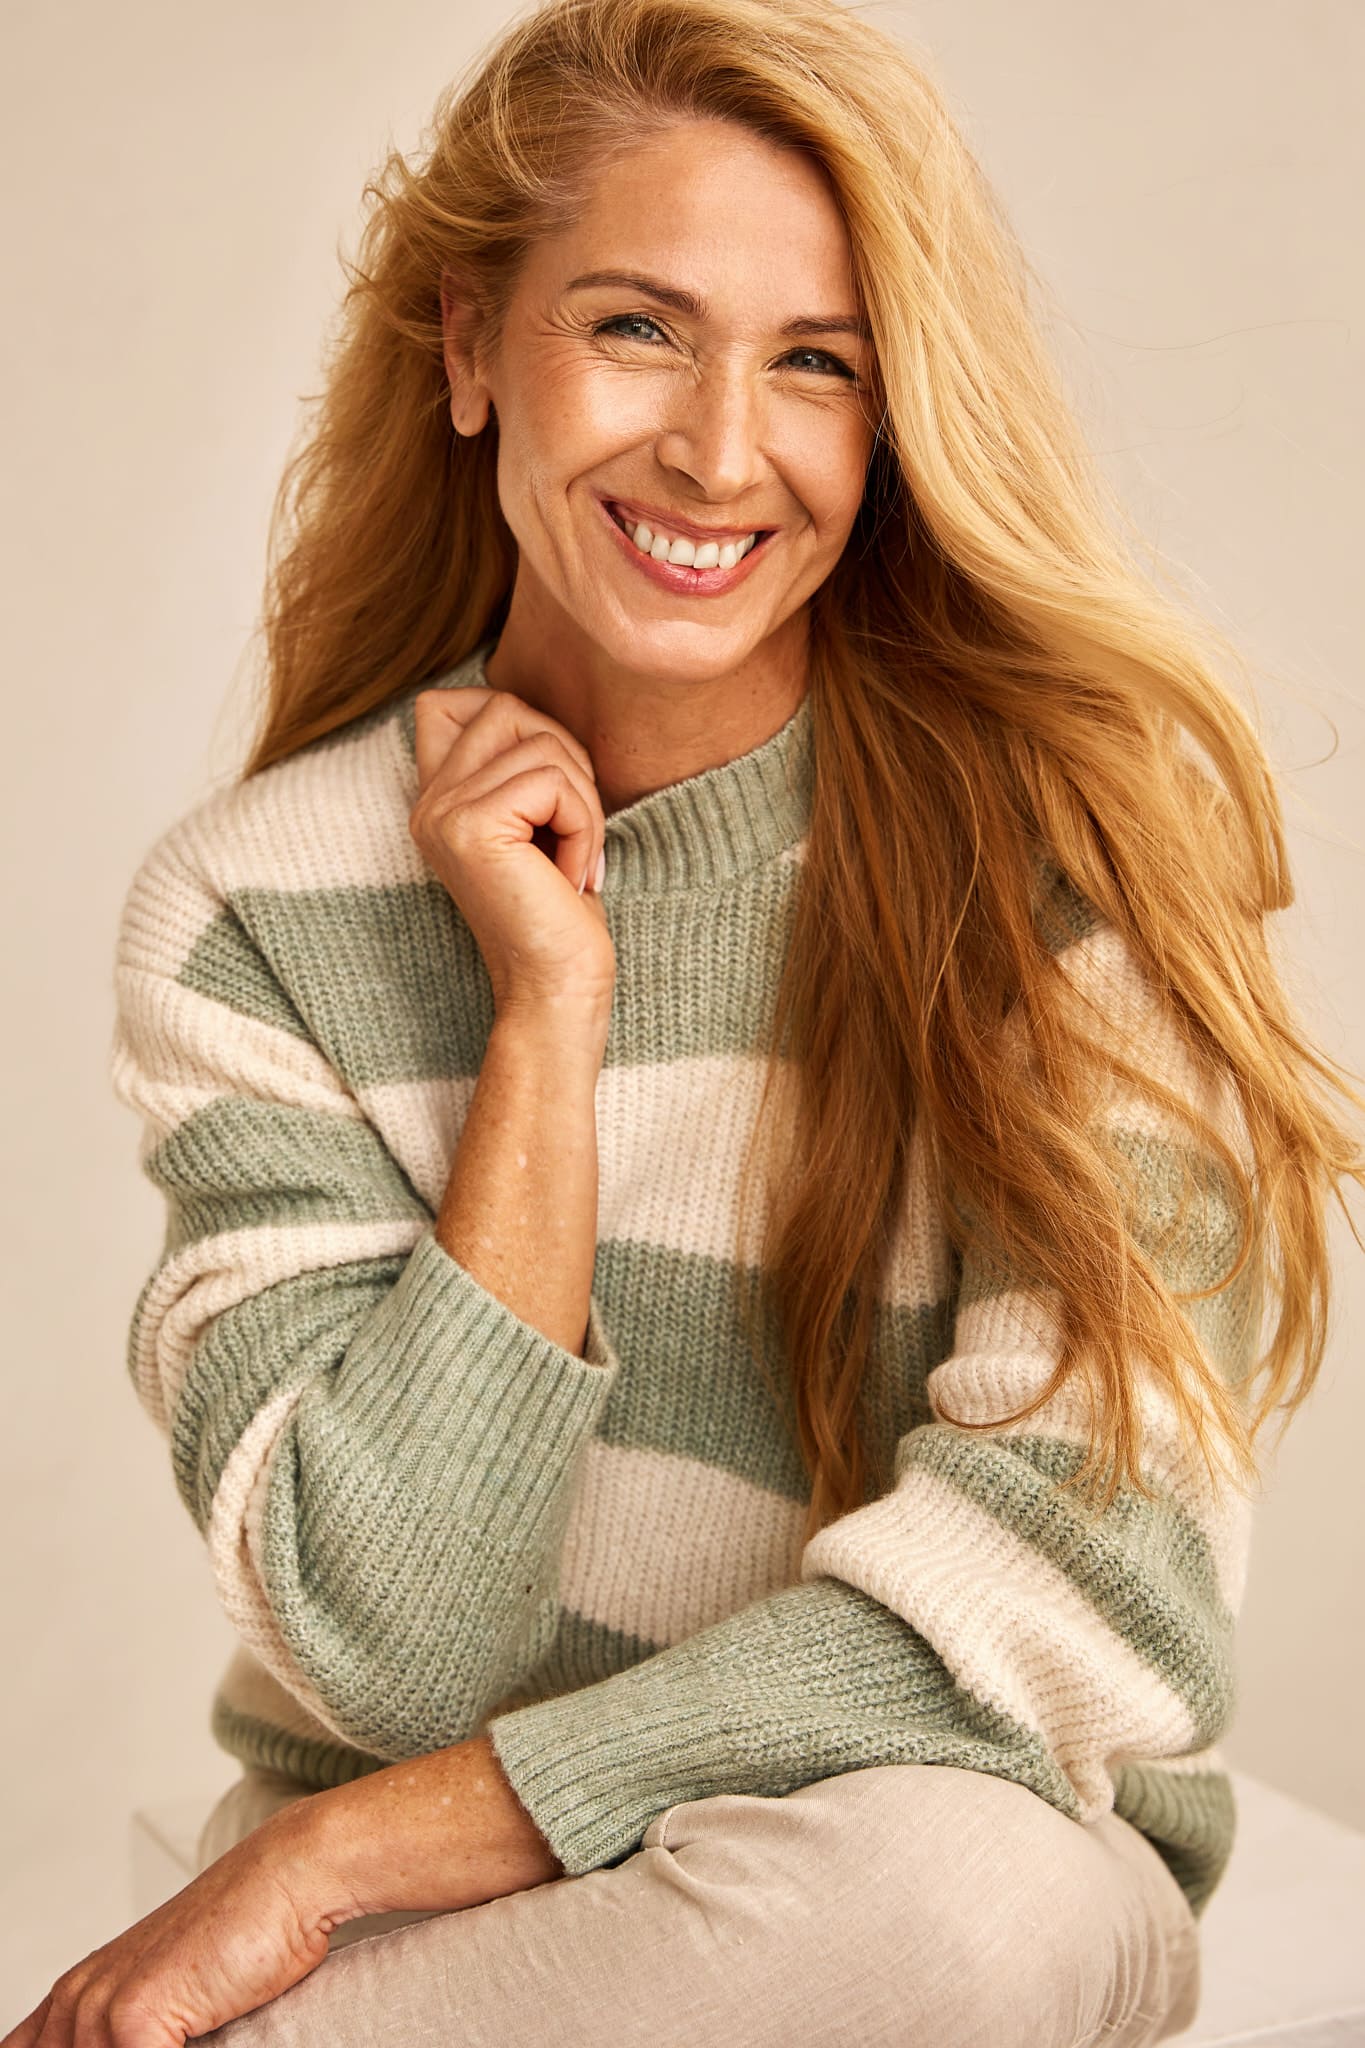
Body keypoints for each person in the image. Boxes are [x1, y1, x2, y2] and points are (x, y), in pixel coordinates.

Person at [9, 0, 1363, 2040]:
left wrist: (326, 1858)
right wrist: (548, 1016)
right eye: (637, 327)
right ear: (471, 346)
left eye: (816, 362)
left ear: (892, 420)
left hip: (852, 1872)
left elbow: (1076, 1595)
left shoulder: (1073, 865)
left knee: (969, 1904)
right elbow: (389, 1646)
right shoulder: (255, 909)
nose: (722, 454)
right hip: (470, 1947)